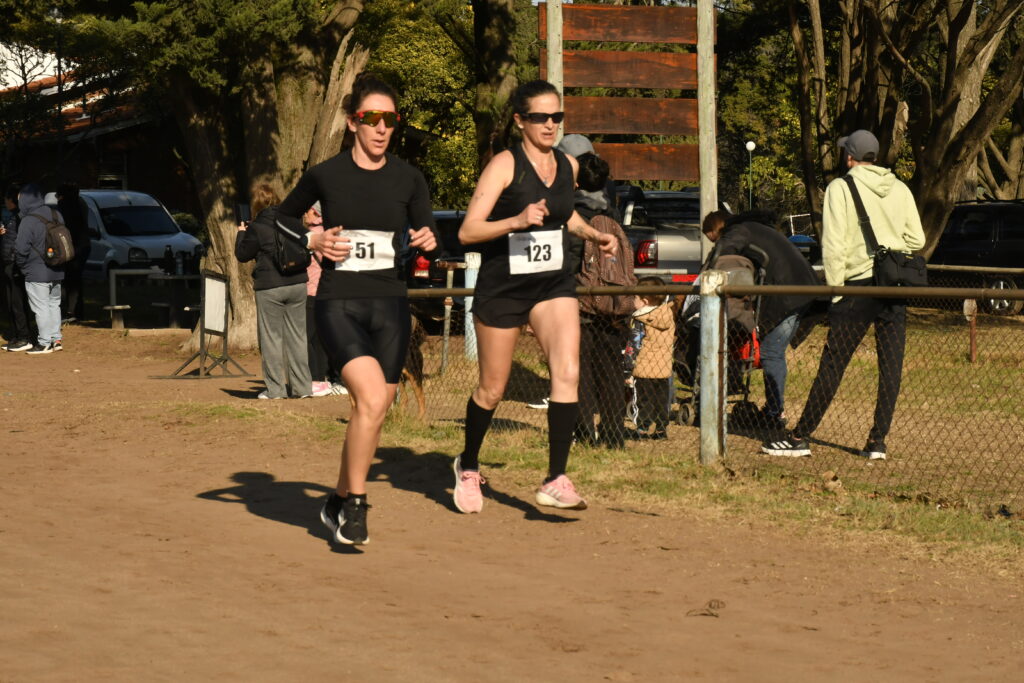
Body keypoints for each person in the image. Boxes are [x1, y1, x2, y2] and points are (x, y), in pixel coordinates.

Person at [275, 73, 439, 545]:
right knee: (368, 400)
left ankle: (337, 499)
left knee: (376, 408)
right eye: (372, 117)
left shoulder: (409, 178)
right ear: (352, 122)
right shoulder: (326, 175)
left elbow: (428, 235)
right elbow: (277, 219)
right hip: (339, 301)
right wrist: (312, 241)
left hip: (390, 304)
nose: (381, 127)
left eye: (390, 119)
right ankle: (356, 507)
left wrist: (429, 240)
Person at [452, 79, 616, 514]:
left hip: (551, 284)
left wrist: (593, 234)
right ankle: (468, 465)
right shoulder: (504, 165)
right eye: (540, 117)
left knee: (567, 370)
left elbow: (565, 214)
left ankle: (555, 478)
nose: (550, 124)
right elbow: (467, 231)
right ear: (520, 120)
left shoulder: (568, 165)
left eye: (556, 116)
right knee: (492, 389)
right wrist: (517, 220)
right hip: (504, 287)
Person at [761, 129, 925, 460]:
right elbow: (917, 240)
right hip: (893, 286)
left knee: (833, 364)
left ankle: (800, 437)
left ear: (849, 157)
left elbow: (834, 245)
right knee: (891, 367)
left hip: (857, 286)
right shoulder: (900, 189)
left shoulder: (840, 188)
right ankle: (877, 442)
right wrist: (893, 250)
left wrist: (835, 292)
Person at [702, 209, 821, 431]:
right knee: (771, 350)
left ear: (717, 229)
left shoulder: (739, 230)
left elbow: (722, 253)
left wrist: (704, 274)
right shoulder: (758, 228)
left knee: (771, 352)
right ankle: (773, 408)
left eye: (713, 238)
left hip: (790, 294)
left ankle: (775, 412)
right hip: (802, 288)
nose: (714, 242)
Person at [566, 143, 636, 449]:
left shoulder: (572, 217)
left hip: (580, 304)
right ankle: (614, 434)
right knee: (611, 371)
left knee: (580, 370)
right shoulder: (614, 218)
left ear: (576, 182)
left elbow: (569, 262)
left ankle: (585, 433)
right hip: (615, 304)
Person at [234, 182, 312, 400]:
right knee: (298, 337)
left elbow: (242, 255)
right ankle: (302, 388)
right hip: (297, 283)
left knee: (272, 339)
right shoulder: (293, 221)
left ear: (255, 205)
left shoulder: (257, 228)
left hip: (270, 286)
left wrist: (241, 233)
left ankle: (276, 390)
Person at [302, 201, 347, 398]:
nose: (304, 214)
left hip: (312, 290)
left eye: (307, 210)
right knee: (328, 337)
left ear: (314, 212)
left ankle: (318, 379)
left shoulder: (312, 236)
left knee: (310, 338)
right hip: (331, 291)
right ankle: (333, 379)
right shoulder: (334, 234)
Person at [14, 184, 64, 354]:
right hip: (57, 268)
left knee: (40, 307)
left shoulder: (28, 220)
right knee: (54, 305)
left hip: (36, 271)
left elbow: (21, 249)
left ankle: (44, 343)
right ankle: (56, 339)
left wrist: (22, 266)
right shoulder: (56, 214)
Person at [629, 276, 675, 440]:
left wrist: (627, 368)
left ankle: (642, 428)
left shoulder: (640, 319)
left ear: (645, 301)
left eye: (635, 297)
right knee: (661, 401)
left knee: (643, 400)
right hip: (663, 368)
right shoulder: (667, 314)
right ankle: (661, 430)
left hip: (643, 368)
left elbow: (634, 344)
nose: (633, 301)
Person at [1, 184, 34, 352]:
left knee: (17, 301)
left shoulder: (20, 217)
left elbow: (20, 241)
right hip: (8, 262)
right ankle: (16, 335)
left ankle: (24, 336)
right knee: (10, 301)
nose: (5, 202)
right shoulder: (11, 217)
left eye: (6, 199)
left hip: (15, 263)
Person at [56, 182, 90, 323]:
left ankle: (69, 311)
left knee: (67, 280)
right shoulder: (81, 203)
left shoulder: (64, 207)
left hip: (69, 245)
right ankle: (76, 310)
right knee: (76, 280)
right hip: (82, 245)